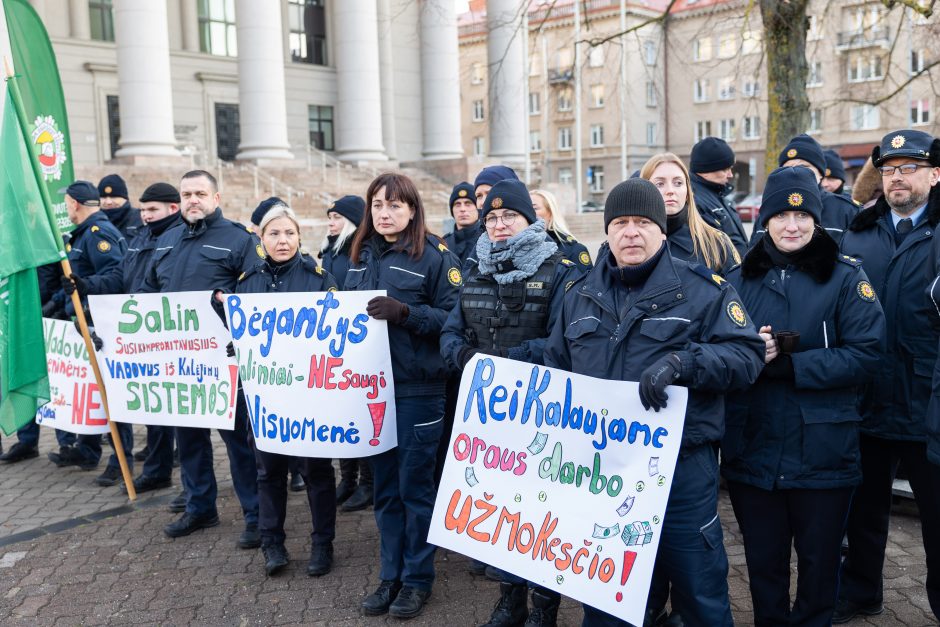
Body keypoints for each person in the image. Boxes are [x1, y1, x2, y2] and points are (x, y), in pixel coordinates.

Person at [543, 178, 765, 627]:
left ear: (662, 230)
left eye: (643, 222)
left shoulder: (705, 290)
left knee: (699, 590)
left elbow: (746, 356)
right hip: (600, 472)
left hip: (681, 468)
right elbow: (555, 365)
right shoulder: (577, 294)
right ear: (607, 231)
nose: (631, 232)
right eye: (621, 222)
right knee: (607, 593)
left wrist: (686, 362)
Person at [723, 166, 885, 626]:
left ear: (815, 219)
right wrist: (751, 353)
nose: (791, 226)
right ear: (765, 219)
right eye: (781, 216)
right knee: (763, 567)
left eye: (802, 216)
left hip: (823, 451)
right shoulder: (737, 280)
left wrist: (794, 365)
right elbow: (716, 352)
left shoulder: (847, 278)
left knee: (819, 569)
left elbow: (869, 354)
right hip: (754, 449)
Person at [440, 178, 580, 627]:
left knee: (540, 512)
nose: (500, 225)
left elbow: (562, 344)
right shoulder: (475, 268)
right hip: (488, 418)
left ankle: (544, 607)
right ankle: (509, 600)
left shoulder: (560, 270)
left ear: (531, 220)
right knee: (500, 509)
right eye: (493, 218)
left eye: (510, 216)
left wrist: (501, 363)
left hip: (542, 414)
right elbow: (449, 331)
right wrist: (463, 357)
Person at [345, 172, 460, 619]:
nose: (384, 212)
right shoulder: (358, 257)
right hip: (371, 391)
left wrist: (407, 313)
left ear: (412, 209)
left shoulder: (433, 257)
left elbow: (453, 319)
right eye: (377, 205)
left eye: (394, 205)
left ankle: (417, 580)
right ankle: (389, 575)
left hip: (418, 389)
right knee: (386, 492)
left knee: (416, 490)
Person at [837, 129, 940, 623]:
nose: (897, 177)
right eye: (890, 168)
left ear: (935, 174)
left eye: (910, 167)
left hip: (929, 406)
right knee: (864, 511)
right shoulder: (859, 231)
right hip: (870, 400)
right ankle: (861, 590)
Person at [140, 170, 261, 548]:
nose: (193, 200)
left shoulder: (239, 241)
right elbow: (146, 293)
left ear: (216, 197)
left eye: (200, 193)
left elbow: (255, 295)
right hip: (179, 364)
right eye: (187, 193)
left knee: (238, 443)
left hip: (223, 362)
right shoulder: (167, 240)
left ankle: (257, 516)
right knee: (189, 440)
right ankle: (200, 507)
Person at [233, 203, 339, 577]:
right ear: (261, 240)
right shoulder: (247, 283)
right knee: (269, 473)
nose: (282, 240)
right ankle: (272, 544)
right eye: (274, 233)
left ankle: (322, 544)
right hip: (265, 397)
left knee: (316, 472)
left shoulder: (318, 278)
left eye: (289, 233)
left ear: (299, 237)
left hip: (309, 397)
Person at [66, 182, 184, 488]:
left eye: (152, 210)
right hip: (134, 332)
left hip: (165, 334)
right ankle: (154, 472)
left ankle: (173, 479)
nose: (145, 215)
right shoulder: (141, 235)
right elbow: (122, 276)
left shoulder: (180, 237)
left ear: (173, 209)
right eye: (143, 210)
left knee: (165, 410)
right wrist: (87, 285)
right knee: (145, 404)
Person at [46, 180, 126, 473]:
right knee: (88, 392)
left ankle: (121, 461)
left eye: (67, 203)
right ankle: (87, 450)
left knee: (110, 396)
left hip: (98, 324)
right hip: (81, 323)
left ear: (74, 204)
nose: (66, 208)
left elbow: (118, 276)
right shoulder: (79, 236)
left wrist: (85, 286)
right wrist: (54, 306)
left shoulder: (97, 233)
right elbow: (72, 282)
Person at [319, 194, 373, 512]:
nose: (330, 222)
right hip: (333, 342)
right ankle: (348, 478)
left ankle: (368, 482)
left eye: (336, 217)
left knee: (359, 416)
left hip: (356, 343)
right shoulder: (330, 250)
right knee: (340, 415)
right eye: (329, 216)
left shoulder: (360, 251)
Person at [640, 152, 740, 275]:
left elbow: (735, 291)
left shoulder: (716, 244)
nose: (670, 191)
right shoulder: (631, 241)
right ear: (643, 189)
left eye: (678, 183)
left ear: (687, 191)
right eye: (660, 184)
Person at [750, 134, 858, 246]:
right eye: (788, 167)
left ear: (821, 174)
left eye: (804, 167)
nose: (796, 172)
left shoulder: (846, 210)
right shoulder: (769, 211)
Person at [688, 137, 749, 255]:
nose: (730, 174)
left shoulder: (718, 194)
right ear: (705, 169)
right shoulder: (695, 200)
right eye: (725, 169)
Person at [530, 189, 593, 272]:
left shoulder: (573, 250)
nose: (528, 212)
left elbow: (586, 283)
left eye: (534, 208)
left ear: (550, 213)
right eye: (526, 208)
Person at [443, 181, 481, 267]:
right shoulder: (444, 243)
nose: (462, 209)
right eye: (457, 204)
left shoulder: (486, 241)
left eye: (468, 204)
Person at [98, 174, 143, 240]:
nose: (108, 202)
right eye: (103, 197)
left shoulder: (141, 218)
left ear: (125, 198)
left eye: (114, 197)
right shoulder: (93, 221)